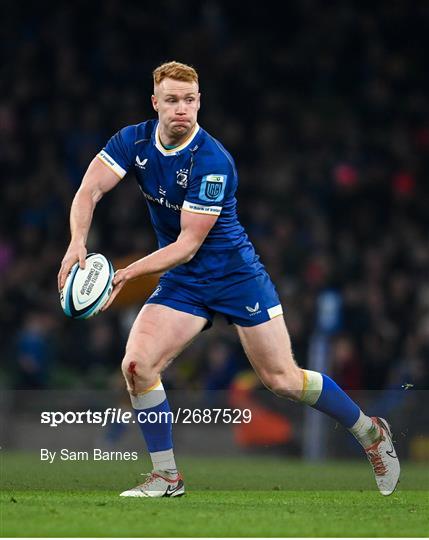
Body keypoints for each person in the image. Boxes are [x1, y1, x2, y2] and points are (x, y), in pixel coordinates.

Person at [58, 61, 400, 498]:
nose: (181, 109)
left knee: (283, 380)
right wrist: (76, 243)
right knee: (137, 366)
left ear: (199, 101)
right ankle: (166, 477)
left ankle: (370, 432)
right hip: (185, 283)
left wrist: (126, 273)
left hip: (236, 277)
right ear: (155, 103)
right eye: (172, 100)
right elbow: (89, 189)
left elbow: (187, 244)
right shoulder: (132, 141)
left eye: (189, 100)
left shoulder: (213, 160)